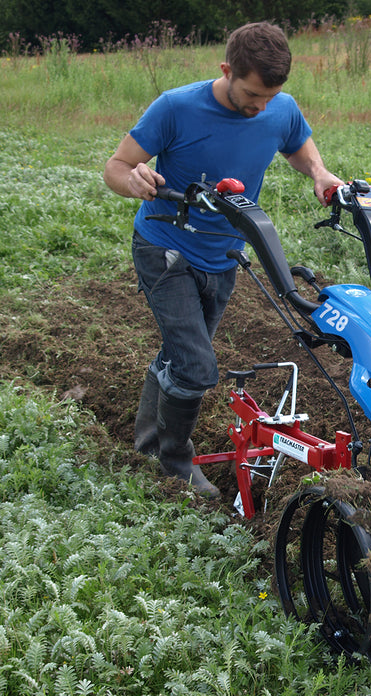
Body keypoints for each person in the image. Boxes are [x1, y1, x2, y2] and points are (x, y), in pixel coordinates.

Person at [104, 21, 343, 499]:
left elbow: (297, 144)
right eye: (253, 94)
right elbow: (116, 166)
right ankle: (174, 463)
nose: (261, 106)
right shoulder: (176, 107)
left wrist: (318, 172)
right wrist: (133, 180)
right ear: (226, 70)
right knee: (195, 365)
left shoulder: (280, 109)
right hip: (164, 246)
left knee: (182, 352)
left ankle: (147, 446)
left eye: (270, 96)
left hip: (224, 253)